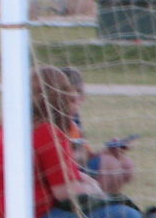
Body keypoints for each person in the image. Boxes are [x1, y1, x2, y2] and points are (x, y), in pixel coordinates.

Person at [0, 65, 145, 218]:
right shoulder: (46, 131)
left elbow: (63, 174)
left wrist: (85, 182)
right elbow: (65, 192)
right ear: (60, 99)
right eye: (70, 97)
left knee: (115, 209)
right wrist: (97, 192)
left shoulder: (1, 128)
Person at [57, 66, 136, 195]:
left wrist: (109, 150)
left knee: (126, 165)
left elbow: (87, 155)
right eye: (72, 100)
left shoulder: (74, 121)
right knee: (109, 164)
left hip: (80, 166)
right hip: (67, 174)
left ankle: (110, 205)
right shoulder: (51, 123)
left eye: (81, 97)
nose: (78, 103)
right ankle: (96, 208)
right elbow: (62, 160)